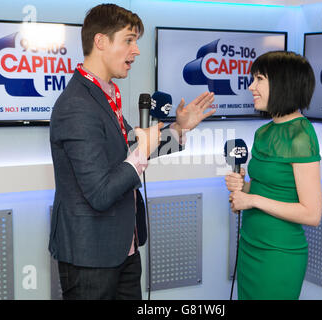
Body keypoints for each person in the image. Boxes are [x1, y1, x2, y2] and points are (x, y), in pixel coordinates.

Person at [49, 3, 215, 300]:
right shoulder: (76, 105)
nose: (136, 51)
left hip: (125, 247)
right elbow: (100, 192)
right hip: (91, 256)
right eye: (128, 40)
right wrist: (142, 152)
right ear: (100, 42)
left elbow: (134, 147)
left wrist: (180, 128)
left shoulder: (105, 94)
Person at [225, 51, 322, 300]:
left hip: (278, 253)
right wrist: (244, 188)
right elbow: (265, 190)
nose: (251, 86)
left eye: (259, 79)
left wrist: (253, 200)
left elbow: (312, 214)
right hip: (250, 245)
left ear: (283, 83)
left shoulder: (301, 136)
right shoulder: (263, 132)